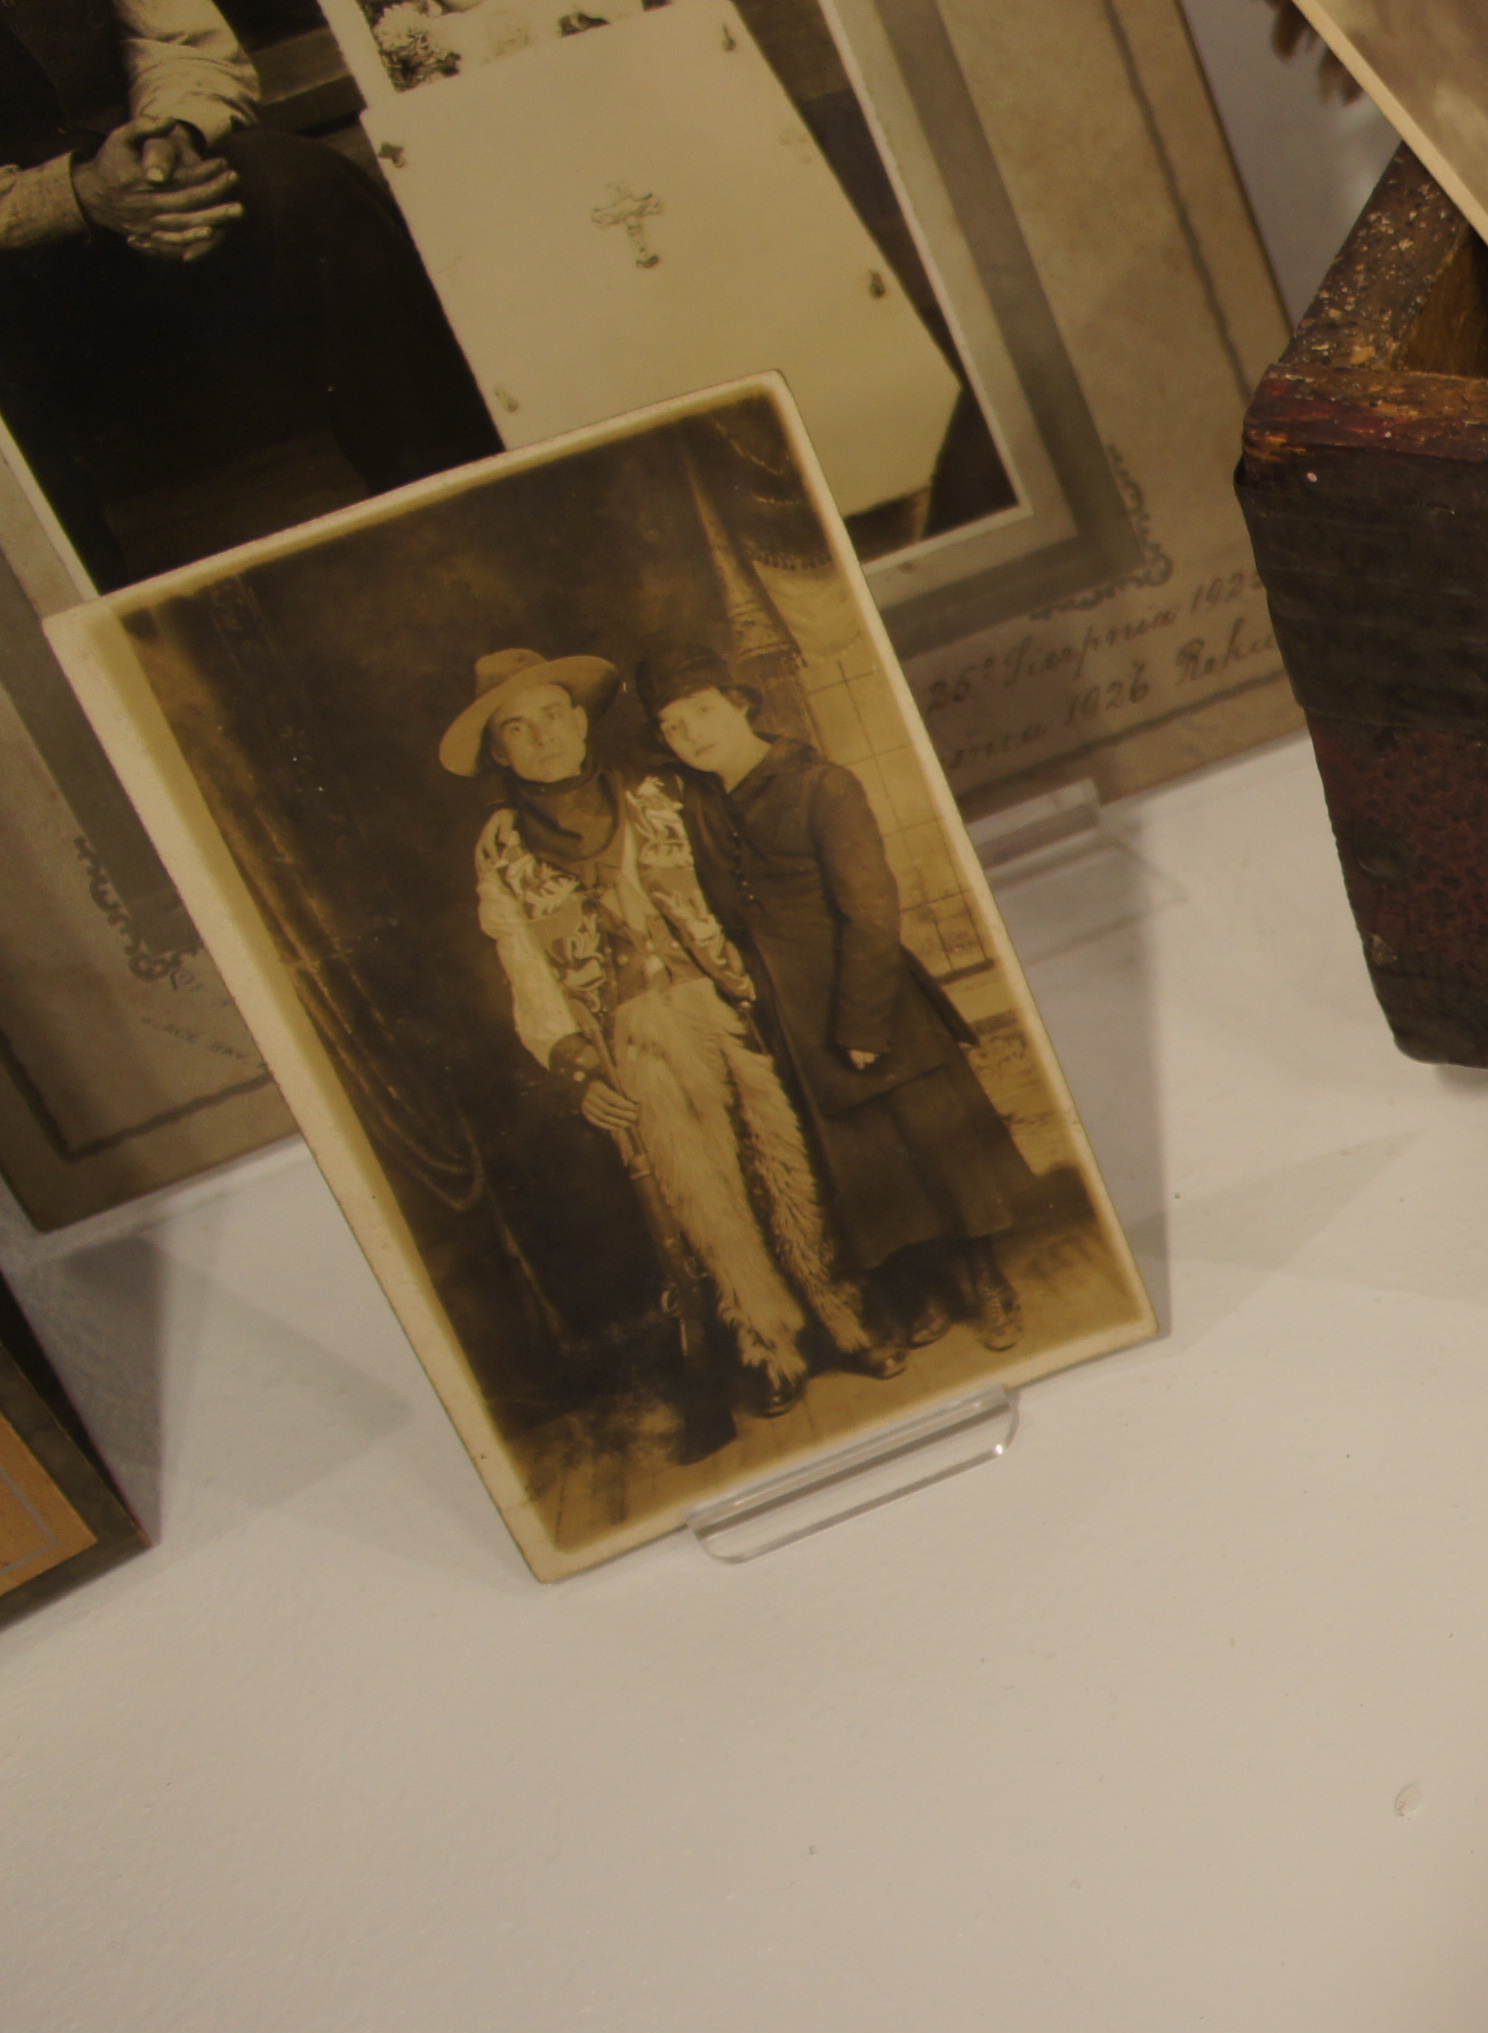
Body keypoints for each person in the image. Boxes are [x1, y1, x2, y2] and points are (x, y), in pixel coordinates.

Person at [453, 646, 885, 1447]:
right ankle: (769, 1345)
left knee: (784, 1157)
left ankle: (844, 1315)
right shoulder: (502, 848)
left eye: (553, 715)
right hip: (628, 1039)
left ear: (581, 721)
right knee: (702, 1196)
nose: (543, 737)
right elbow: (525, 972)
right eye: (518, 728)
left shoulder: (658, 792)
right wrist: (575, 1068)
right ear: (499, 752)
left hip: (725, 1006)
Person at [0, 0, 497, 585]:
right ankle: (94, 622)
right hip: (19, 263)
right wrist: (73, 195)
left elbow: (178, 41)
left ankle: (468, 515)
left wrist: (171, 136)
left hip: (135, 187)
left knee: (299, 186)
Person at [641, 648, 1037, 1353]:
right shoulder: (694, 806)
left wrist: (860, 1020)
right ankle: (926, 1288)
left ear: (740, 705)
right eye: (672, 726)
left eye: (701, 711)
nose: (690, 733)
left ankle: (987, 1280)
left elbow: (870, 908)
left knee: (937, 1150)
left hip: (868, 995)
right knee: (867, 1167)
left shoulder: (822, 786)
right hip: (787, 1016)